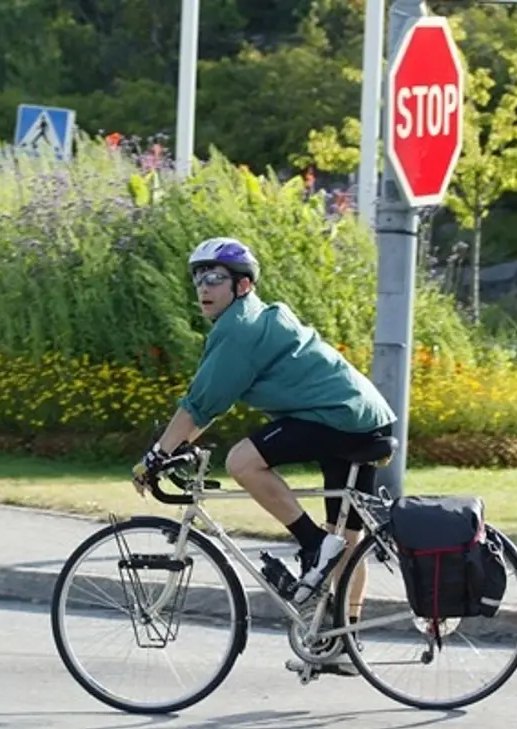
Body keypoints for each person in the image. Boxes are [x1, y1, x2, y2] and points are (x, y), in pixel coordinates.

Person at [131, 237, 398, 612]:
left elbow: (198, 407)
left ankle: (312, 543)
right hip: (362, 417)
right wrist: (172, 448)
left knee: (243, 461)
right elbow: (206, 408)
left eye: (215, 277)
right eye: (199, 278)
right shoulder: (252, 318)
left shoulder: (239, 328)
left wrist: (156, 456)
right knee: (346, 542)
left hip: (339, 417)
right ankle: (342, 640)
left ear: (243, 285)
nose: (204, 287)